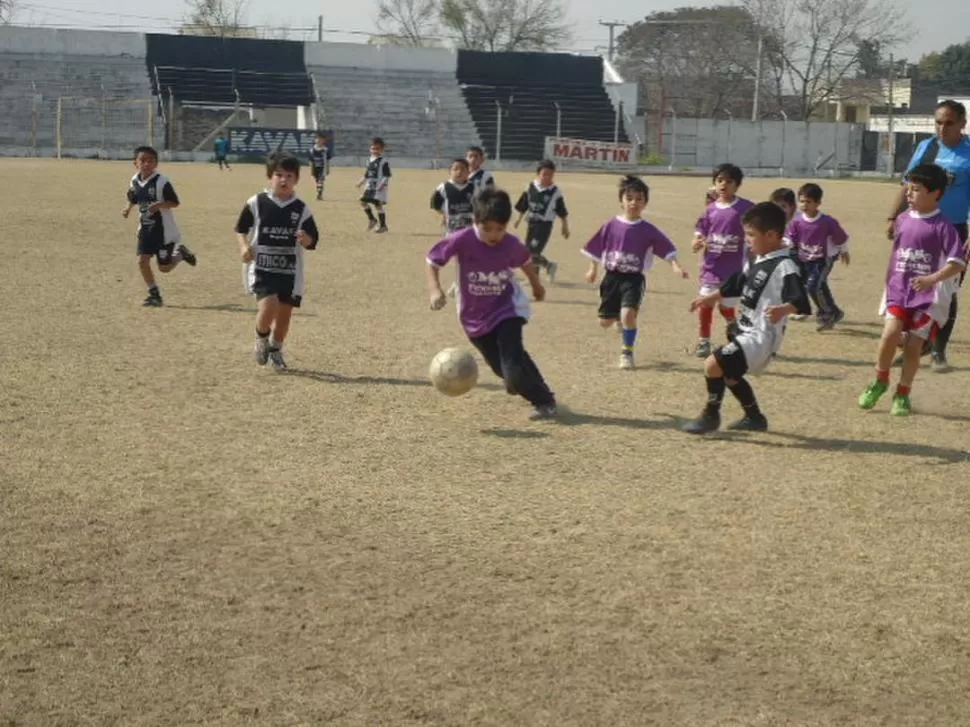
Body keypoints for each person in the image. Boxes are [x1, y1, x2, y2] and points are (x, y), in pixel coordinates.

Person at [426, 188, 557, 420]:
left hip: (507, 309)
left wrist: (536, 286)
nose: (494, 235)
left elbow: (525, 262)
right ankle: (519, 381)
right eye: (487, 229)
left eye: (500, 229)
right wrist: (435, 289)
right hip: (473, 317)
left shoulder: (510, 243)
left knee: (513, 366)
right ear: (476, 222)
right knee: (502, 368)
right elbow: (433, 261)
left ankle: (544, 400)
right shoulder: (462, 239)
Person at [683, 202, 810, 434]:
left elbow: (801, 301)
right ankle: (754, 417)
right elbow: (738, 283)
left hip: (761, 337)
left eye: (751, 235)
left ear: (771, 235)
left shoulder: (785, 266)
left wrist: (784, 309)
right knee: (730, 375)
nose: (747, 240)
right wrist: (710, 297)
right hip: (745, 330)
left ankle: (710, 415)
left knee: (713, 364)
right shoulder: (757, 258)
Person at [860, 164, 966, 415]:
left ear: (936, 193)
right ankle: (880, 380)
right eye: (909, 187)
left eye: (916, 189)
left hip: (927, 298)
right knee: (890, 334)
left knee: (913, 346)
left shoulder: (943, 226)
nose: (908, 193)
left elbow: (957, 263)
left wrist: (932, 279)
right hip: (899, 290)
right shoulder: (902, 219)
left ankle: (903, 393)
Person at [887, 99, 970, 372]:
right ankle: (917, 345)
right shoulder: (927, 148)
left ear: (962, 123)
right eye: (938, 122)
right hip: (920, 229)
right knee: (915, 286)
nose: (942, 128)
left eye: (949, 123)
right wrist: (892, 217)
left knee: (947, 289)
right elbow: (907, 185)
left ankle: (938, 350)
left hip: (954, 230)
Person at [582, 175, 689, 370]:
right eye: (629, 198)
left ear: (645, 202)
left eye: (639, 199)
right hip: (612, 277)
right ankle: (616, 319)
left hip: (633, 279)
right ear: (621, 201)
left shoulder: (648, 230)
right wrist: (592, 269)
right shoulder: (611, 225)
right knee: (604, 322)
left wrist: (675, 265)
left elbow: (665, 248)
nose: (634, 203)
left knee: (628, 315)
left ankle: (627, 352)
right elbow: (596, 247)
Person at [236, 153, 320, 371]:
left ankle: (276, 349)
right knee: (268, 304)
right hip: (262, 266)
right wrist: (244, 246)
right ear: (269, 177)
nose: (283, 180)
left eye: (289, 176)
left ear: (296, 179)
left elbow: (313, 241)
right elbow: (240, 228)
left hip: (290, 270)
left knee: (284, 314)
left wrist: (306, 238)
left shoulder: (301, 208)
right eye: (278, 175)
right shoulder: (257, 202)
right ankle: (261, 338)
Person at [122, 145, 197, 307]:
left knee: (164, 268)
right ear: (135, 163)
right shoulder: (134, 181)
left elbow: (175, 202)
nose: (147, 164)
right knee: (142, 261)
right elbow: (134, 197)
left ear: (156, 164)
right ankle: (154, 293)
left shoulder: (162, 182)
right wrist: (128, 209)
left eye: (151, 161)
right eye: (143, 160)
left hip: (164, 231)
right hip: (146, 229)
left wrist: (159, 205)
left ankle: (181, 255)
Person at [692, 163, 754, 356]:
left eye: (729, 181)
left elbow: (757, 226)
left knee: (726, 306)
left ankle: (733, 323)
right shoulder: (710, 210)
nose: (723, 184)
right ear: (714, 183)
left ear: (737, 185)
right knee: (705, 303)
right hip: (711, 267)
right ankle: (704, 341)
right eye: (719, 180)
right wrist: (697, 240)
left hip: (734, 270)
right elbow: (700, 228)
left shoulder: (745, 208)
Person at [784, 183, 850, 331]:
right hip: (806, 258)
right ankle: (835, 311)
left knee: (814, 286)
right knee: (819, 285)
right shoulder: (796, 221)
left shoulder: (827, 222)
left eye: (808, 201)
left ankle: (826, 313)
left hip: (823, 259)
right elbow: (790, 239)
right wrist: (783, 245)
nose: (804, 205)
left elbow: (840, 237)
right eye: (801, 201)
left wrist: (844, 250)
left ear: (818, 203)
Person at [514, 160, 570, 283]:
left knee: (532, 251)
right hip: (531, 223)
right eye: (544, 174)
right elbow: (524, 204)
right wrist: (518, 219)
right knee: (530, 251)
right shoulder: (530, 187)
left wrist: (565, 226)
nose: (547, 177)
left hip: (544, 225)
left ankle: (534, 277)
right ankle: (548, 266)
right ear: (538, 174)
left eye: (550, 174)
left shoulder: (555, 192)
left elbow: (562, 210)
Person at [430, 158, 476, 232]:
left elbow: (481, 205)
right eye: (455, 169)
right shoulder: (443, 187)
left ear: (468, 172)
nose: (459, 172)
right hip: (451, 227)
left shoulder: (474, 187)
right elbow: (435, 204)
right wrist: (443, 215)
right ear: (450, 172)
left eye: (463, 169)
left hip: (469, 227)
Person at [356, 137, 391, 233]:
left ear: (382, 150)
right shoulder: (369, 160)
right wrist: (361, 182)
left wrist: (382, 185)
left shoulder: (383, 161)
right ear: (370, 149)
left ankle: (382, 225)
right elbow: (367, 174)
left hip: (378, 187)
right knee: (362, 201)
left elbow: (387, 175)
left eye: (377, 149)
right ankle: (373, 220)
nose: (375, 151)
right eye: (373, 148)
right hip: (369, 186)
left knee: (377, 205)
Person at [308, 132, 330, 201]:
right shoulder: (311, 150)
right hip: (315, 168)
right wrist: (311, 170)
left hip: (322, 168)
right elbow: (311, 161)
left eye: (321, 139)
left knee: (320, 181)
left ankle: (319, 195)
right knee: (317, 181)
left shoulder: (325, 150)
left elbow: (327, 160)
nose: (319, 141)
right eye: (317, 139)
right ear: (315, 140)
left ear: (324, 141)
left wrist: (327, 169)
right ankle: (319, 192)